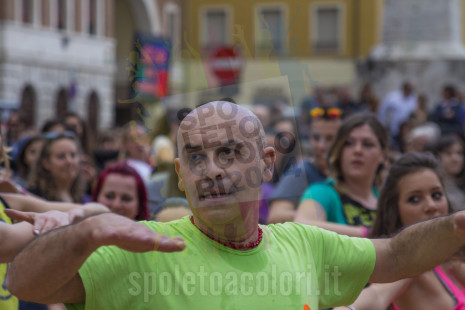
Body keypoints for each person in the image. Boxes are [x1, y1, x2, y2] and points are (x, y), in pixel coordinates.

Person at [9, 101, 465, 309]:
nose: (211, 170)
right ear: (182, 177)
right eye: (196, 158)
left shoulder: (306, 245)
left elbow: (399, 255)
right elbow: (25, 284)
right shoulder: (139, 246)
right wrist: (85, 232)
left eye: (229, 153)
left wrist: (457, 228)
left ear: (267, 164)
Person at [334, 152, 464, 310]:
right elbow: (375, 296)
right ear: (396, 211)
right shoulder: (407, 269)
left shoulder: (451, 262)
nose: (431, 205)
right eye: (414, 199)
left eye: (436, 195)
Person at [295, 113, 388, 237]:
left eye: (367, 144)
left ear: (382, 154)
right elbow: (301, 227)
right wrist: (368, 233)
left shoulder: (385, 201)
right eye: (348, 143)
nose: (357, 150)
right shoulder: (322, 192)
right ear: (339, 150)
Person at [267, 107, 342, 224]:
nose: (321, 146)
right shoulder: (302, 172)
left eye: (330, 138)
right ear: (310, 138)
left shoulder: (351, 173)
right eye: (317, 138)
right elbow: (275, 216)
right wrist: (317, 214)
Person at [27, 132, 85, 203]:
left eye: (73, 155)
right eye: (61, 156)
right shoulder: (33, 196)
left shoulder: (80, 196)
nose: (69, 161)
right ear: (46, 163)